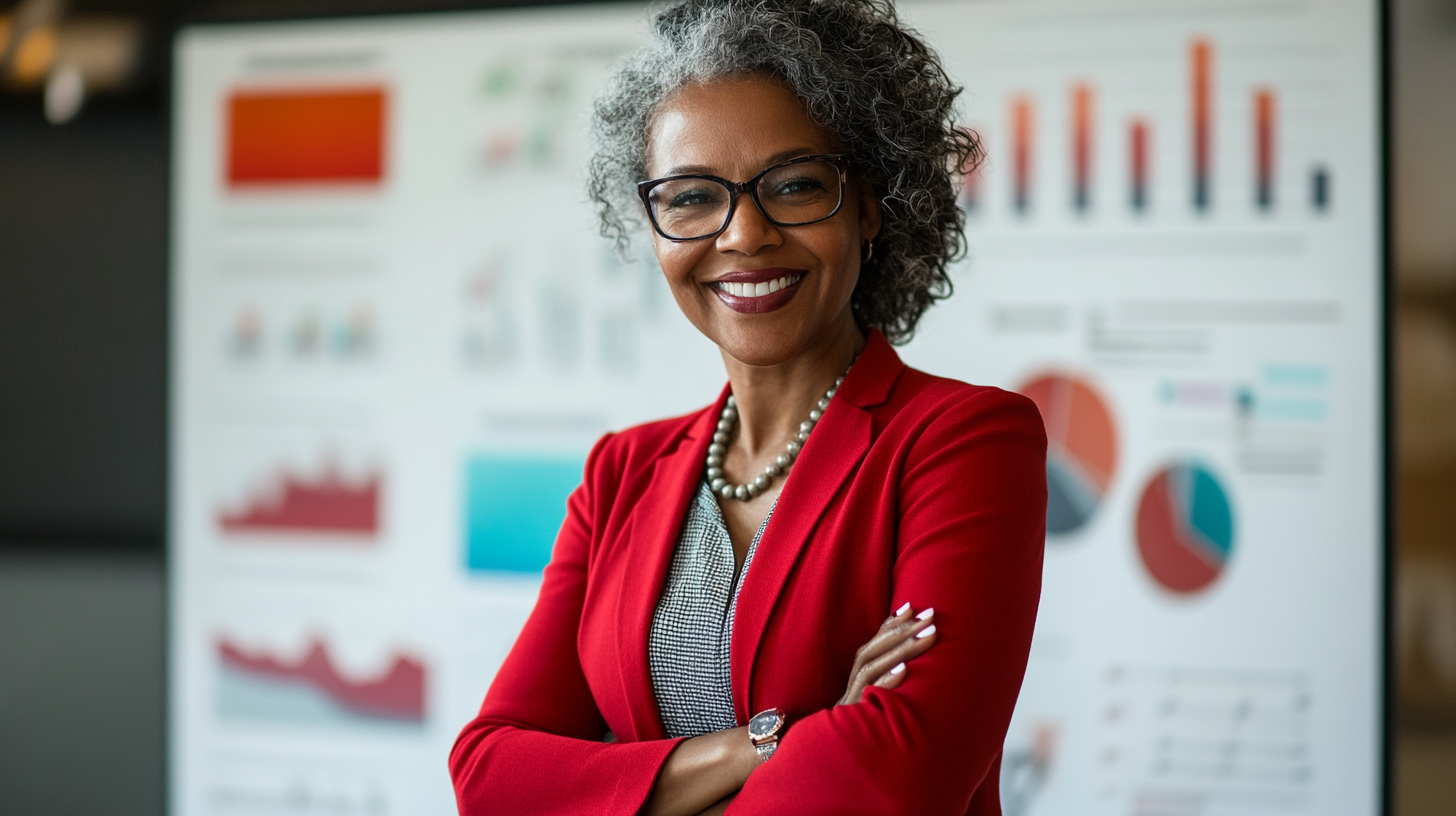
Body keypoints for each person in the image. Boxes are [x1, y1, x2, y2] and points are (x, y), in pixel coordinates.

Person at [449, 1, 1046, 813]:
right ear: (655, 225)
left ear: (868, 204)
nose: (743, 235)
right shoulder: (620, 473)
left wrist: (626, 786)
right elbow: (491, 776)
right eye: (692, 197)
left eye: (796, 186)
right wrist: (775, 742)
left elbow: (896, 779)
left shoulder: (964, 444)